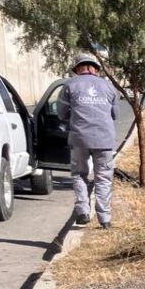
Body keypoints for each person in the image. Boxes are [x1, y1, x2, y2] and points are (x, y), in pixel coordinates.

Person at [57, 53, 119, 228]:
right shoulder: (108, 87)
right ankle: (105, 219)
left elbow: (61, 113)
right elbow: (115, 114)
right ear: (96, 69)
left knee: (79, 174)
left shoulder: (70, 85)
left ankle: (83, 211)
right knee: (103, 179)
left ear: (77, 68)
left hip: (79, 139)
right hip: (105, 139)